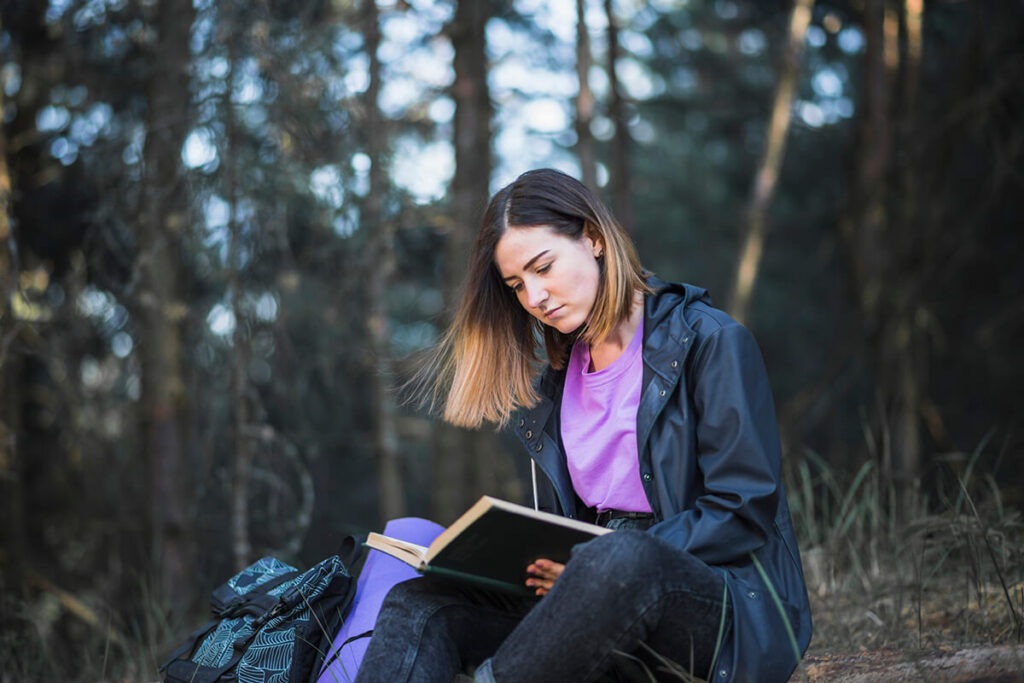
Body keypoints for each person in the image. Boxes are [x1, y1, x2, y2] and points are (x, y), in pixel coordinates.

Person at [354, 169, 812, 683]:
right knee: (420, 602)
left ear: (593, 238)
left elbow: (742, 511)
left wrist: (594, 561)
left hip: (715, 598)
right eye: (516, 285)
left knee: (621, 559)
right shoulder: (554, 381)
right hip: (585, 589)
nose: (534, 297)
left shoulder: (711, 343)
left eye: (543, 267)